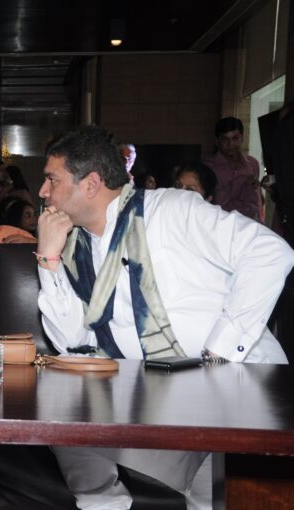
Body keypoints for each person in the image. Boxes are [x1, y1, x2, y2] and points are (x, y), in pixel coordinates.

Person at [36, 125, 293, 510]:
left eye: (51, 179)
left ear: (90, 184)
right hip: (160, 404)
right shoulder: (75, 247)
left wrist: (219, 353)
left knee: (219, 500)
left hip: (240, 397)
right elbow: (70, 341)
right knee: (68, 425)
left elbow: (271, 253)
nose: (42, 191)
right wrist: (49, 260)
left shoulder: (172, 210)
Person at [205, 117, 263, 222]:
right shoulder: (209, 168)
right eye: (225, 139)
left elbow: (257, 199)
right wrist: (240, 181)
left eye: (235, 138)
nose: (230, 144)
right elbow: (212, 203)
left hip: (253, 226)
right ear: (217, 141)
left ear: (242, 138)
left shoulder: (252, 164)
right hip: (224, 228)